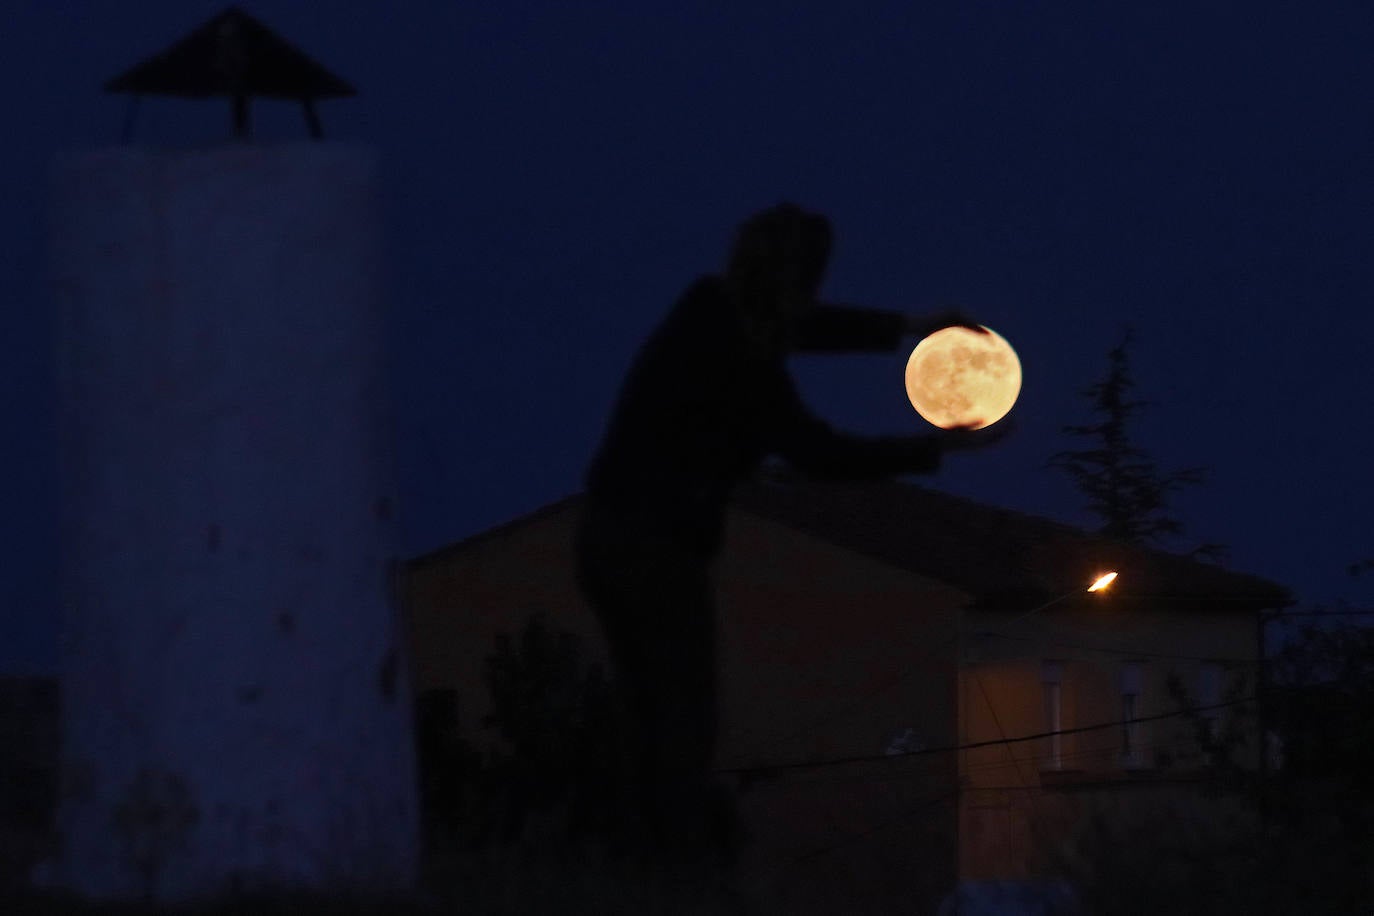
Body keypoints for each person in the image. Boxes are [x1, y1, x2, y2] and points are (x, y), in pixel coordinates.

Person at [575, 203, 1011, 881]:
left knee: (653, 715)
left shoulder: (707, 312)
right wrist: (935, 446)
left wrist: (905, 328)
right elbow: (821, 452)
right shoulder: (746, 363)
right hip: (654, 548)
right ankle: (675, 871)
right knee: (683, 719)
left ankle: (641, 864)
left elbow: (804, 332)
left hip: (607, 537)